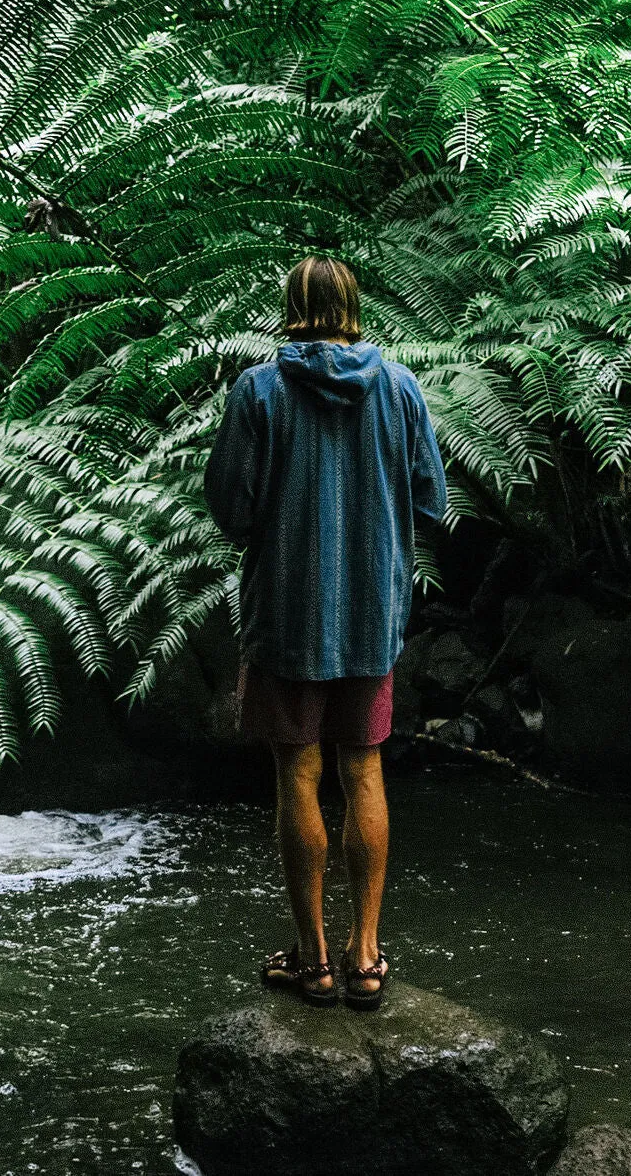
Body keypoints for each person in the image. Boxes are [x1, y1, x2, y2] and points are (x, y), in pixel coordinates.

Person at [202, 255, 447, 1010]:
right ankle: (365, 957)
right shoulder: (400, 388)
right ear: (352, 309)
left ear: (292, 308)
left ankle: (311, 959)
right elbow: (431, 499)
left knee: (296, 777)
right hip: (370, 618)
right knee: (364, 772)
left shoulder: (258, 391)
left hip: (286, 618)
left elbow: (231, 512)